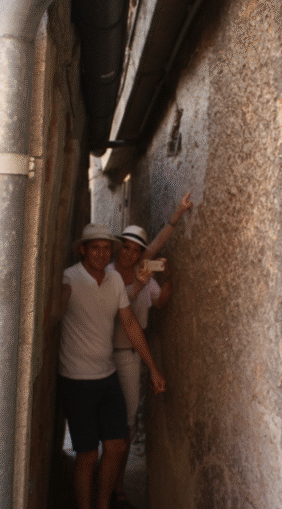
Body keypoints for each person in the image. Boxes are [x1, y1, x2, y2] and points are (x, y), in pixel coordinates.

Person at [56, 223, 167, 509]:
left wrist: (153, 368)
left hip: (107, 377)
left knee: (116, 446)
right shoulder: (70, 279)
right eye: (96, 248)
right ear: (83, 250)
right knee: (88, 454)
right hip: (76, 379)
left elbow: (130, 323)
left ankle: (103, 504)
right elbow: (55, 313)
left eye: (107, 248)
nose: (102, 253)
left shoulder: (115, 281)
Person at [110, 193, 194, 507]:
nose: (131, 254)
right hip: (105, 356)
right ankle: (105, 484)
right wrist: (140, 285)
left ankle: (117, 487)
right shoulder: (106, 274)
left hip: (132, 359)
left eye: (137, 249)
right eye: (127, 247)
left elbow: (160, 300)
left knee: (128, 424)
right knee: (109, 425)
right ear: (120, 247)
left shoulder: (144, 272)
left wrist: (179, 211)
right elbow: (119, 310)